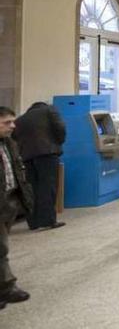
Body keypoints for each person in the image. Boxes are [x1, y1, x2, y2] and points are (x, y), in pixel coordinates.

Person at [12, 102, 66, 231]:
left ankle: (33, 222)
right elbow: (60, 128)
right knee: (48, 186)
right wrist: (58, 142)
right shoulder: (49, 110)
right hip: (48, 153)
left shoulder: (20, 119)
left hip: (26, 157)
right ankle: (48, 221)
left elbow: (14, 137)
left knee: (31, 189)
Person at [0, 107, 33, 310]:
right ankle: (7, 287)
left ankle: (5, 287)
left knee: (2, 246)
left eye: (13, 122)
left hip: (9, 201)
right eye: (7, 122)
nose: (13, 126)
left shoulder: (9, 144)